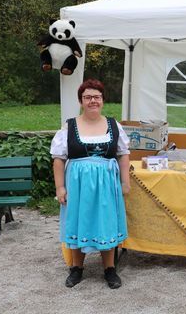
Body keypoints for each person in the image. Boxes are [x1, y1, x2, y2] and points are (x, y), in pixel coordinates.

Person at [50, 78, 131, 289]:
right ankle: (77, 268)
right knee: (78, 221)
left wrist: (125, 182)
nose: (92, 101)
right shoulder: (69, 126)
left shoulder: (114, 125)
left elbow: (123, 155)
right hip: (78, 184)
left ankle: (110, 269)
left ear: (103, 100)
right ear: (81, 101)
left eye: (96, 97)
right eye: (87, 97)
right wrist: (60, 187)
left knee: (106, 222)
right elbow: (58, 159)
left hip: (106, 184)